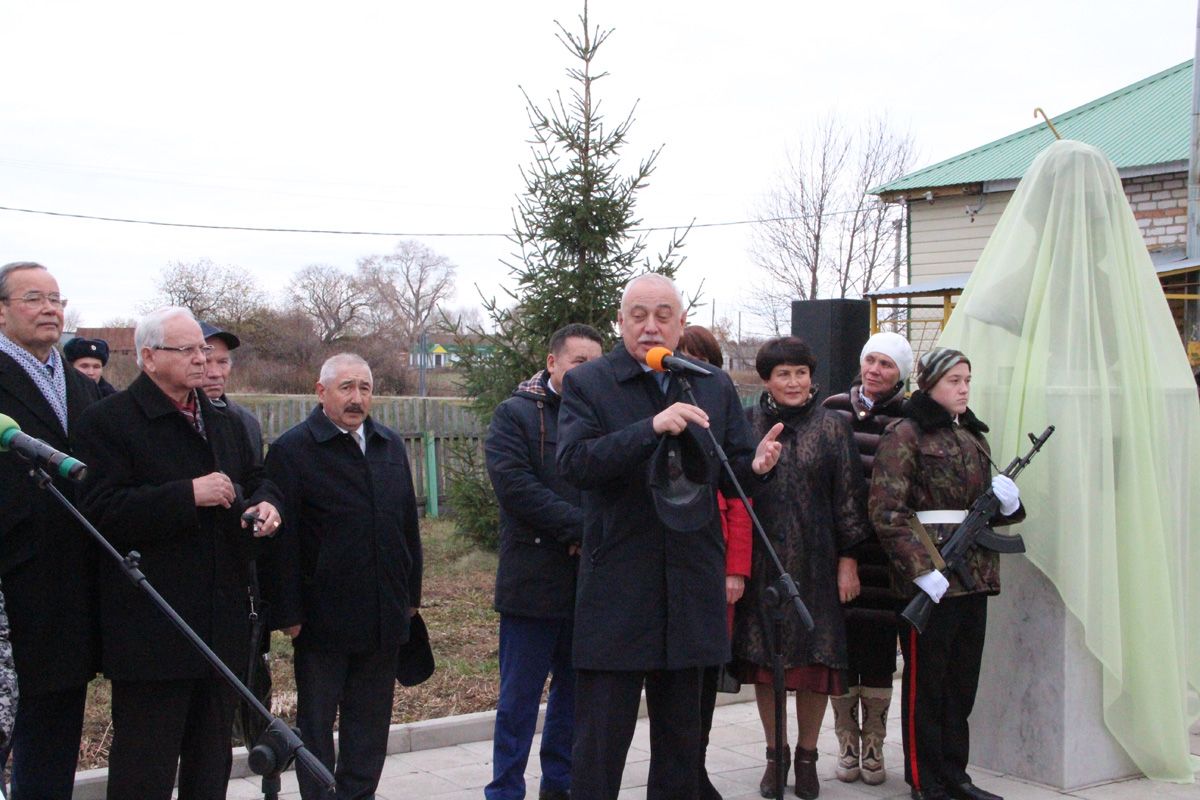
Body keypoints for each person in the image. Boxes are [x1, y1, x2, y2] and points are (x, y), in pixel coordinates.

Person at [556, 273, 783, 800]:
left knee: (683, 748)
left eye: (663, 315)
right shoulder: (592, 383)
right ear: (620, 322)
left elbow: (731, 473)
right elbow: (575, 463)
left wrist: (760, 465)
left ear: (681, 324)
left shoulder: (710, 382)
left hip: (690, 587)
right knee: (599, 746)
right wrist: (651, 427)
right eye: (638, 315)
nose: (651, 326)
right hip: (618, 589)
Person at [75, 306, 282, 800]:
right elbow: (98, 510)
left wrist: (268, 504)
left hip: (221, 622)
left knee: (210, 765)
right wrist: (186, 494)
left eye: (204, 350)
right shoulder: (108, 421)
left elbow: (254, 478)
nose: (201, 359)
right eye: (186, 349)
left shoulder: (222, 419)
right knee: (144, 769)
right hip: (152, 628)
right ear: (149, 357)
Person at [265, 353, 423, 800]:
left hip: (383, 613)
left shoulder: (389, 444)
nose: (357, 399)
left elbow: (406, 525)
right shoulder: (294, 450)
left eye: (365, 388)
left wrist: (411, 595)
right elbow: (283, 542)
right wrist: (289, 611)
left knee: (370, 724)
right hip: (322, 618)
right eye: (346, 388)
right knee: (316, 725)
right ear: (321, 392)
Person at [870, 348, 1022, 800]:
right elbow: (886, 512)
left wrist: (1010, 503)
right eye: (955, 380)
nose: (963, 388)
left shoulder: (974, 437)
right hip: (931, 582)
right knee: (926, 686)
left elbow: (982, 513)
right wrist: (921, 571)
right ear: (931, 384)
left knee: (961, 685)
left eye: (968, 380)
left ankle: (955, 774)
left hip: (973, 576)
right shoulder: (906, 434)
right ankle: (924, 777)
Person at [731, 336, 870, 799]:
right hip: (763, 561)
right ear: (767, 380)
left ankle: (808, 757)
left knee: (816, 664)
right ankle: (777, 756)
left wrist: (848, 560)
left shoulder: (832, 428)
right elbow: (733, 491)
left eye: (801, 373)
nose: (793, 382)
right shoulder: (747, 423)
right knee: (769, 667)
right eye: (782, 374)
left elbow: (849, 498)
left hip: (817, 563)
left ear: (812, 377)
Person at [484, 323, 604, 800]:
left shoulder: (602, 419)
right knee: (517, 703)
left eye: (595, 365)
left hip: (586, 584)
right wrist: (579, 528)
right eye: (579, 363)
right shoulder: (515, 415)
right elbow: (515, 487)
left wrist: (592, 534)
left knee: (572, 701)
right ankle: (505, 791)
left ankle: (560, 787)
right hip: (531, 585)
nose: (587, 373)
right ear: (553, 363)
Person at [0, 261, 101, 800]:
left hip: (75, 580)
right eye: (33, 298)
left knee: (58, 721)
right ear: (1, 312)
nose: (49, 310)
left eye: (57, 300)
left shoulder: (83, 385)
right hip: (15, 578)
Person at [821, 330, 913, 785]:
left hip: (887, 558)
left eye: (887, 365)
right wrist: (843, 554)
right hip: (839, 551)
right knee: (841, 650)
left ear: (902, 373)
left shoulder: (910, 416)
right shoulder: (834, 408)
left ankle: (874, 745)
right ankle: (845, 742)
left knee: (877, 651)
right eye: (870, 361)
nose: (875, 371)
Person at [678, 324, 752, 800]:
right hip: (674, 565)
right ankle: (682, 769)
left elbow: (739, 503)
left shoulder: (722, 417)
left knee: (705, 677)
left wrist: (735, 569)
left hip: (714, 565)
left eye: (694, 359)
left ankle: (696, 766)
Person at [200, 321, 263, 463]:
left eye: (222, 362)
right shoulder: (170, 422)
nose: (215, 373)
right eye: (205, 362)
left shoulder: (247, 422)